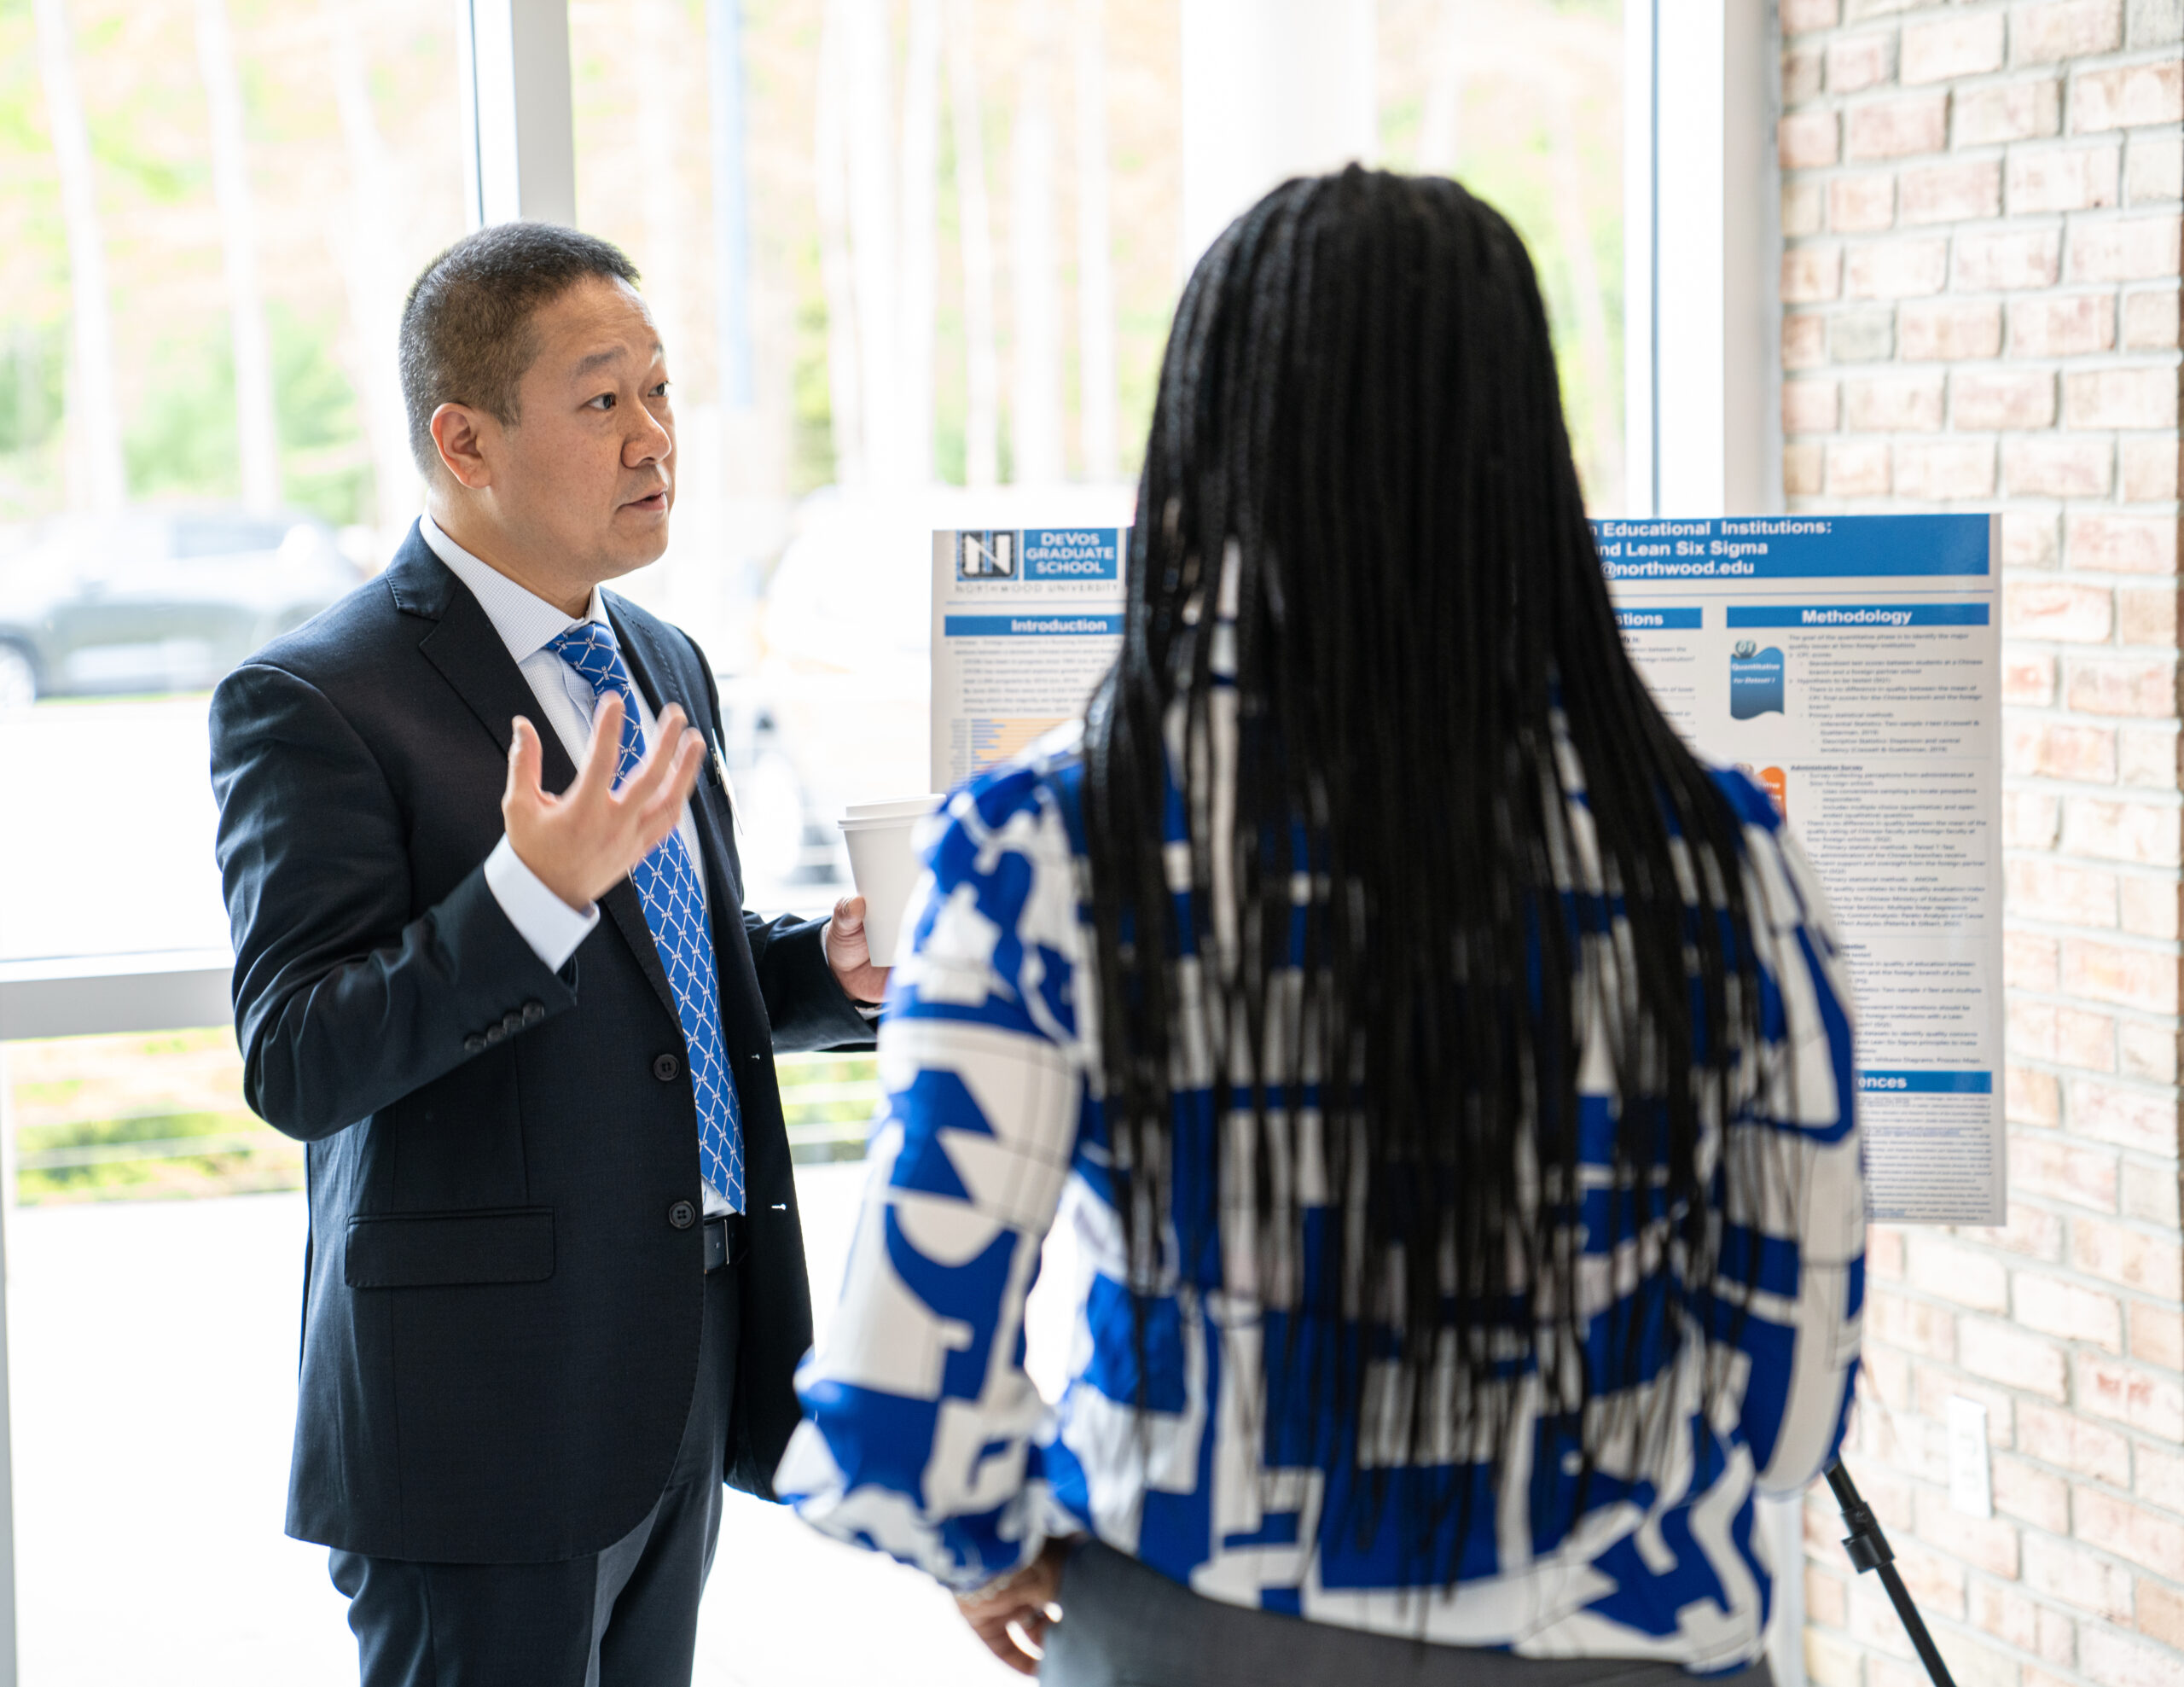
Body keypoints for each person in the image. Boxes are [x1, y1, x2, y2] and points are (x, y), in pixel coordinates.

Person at [776, 169, 1862, 1684]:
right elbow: (1792, 1400)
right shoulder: (1721, 856)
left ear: (1205, 442)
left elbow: (902, 1392)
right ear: (1521, 458)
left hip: (1198, 1634)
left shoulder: (1045, 846)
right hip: (1636, 1635)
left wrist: (993, 1535)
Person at [210, 222, 886, 1684]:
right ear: (466, 439)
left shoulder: (662, 655)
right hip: (480, 1416)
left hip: (679, 1363)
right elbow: (300, 1054)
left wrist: (827, 970)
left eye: (658, 391)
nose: (655, 439)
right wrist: (525, 893)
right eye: (602, 401)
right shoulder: (315, 697)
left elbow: (672, 986)